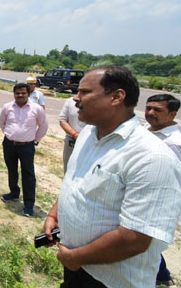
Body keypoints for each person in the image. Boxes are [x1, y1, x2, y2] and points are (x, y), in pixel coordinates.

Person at [42, 67, 181, 288]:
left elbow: (135, 238)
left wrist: (76, 257)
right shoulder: (89, 133)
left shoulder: (151, 157)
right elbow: (76, 180)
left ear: (116, 97)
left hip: (111, 279)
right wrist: (54, 214)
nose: (76, 99)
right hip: (77, 266)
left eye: (85, 92)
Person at [145, 93, 181, 287]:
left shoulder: (175, 143)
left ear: (172, 114)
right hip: (138, 195)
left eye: (157, 110)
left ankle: (162, 277)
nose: (150, 113)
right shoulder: (144, 131)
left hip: (158, 202)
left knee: (148, 243)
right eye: (148, 108)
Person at [0, 83, 48, 217]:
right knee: (12, 170)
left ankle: (28, 205)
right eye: (17, 93)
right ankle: (14, 193)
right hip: (9, 145)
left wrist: (35, 140)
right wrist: (9, 134)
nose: (20, 95)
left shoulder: (36, 109)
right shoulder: (7, 107)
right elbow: (2, 122)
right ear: (14, 94)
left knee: (28, 175)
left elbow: (43, 126)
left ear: (28, 94)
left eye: (23, 93)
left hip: (27, 146)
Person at [58, 97, 86, 173]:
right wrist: (75, 134)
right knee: (68, 169)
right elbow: (62, 120)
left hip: (89, 142)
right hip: (71, 141)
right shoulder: (70, 101)